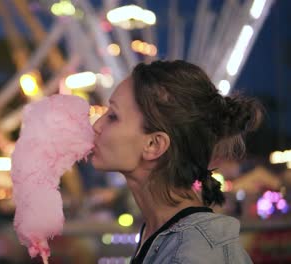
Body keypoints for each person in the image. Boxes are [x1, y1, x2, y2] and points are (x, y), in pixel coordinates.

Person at [91, 60, 262, 263]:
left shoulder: (193, 254)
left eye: (113, 116)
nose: (97, 125)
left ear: (154, 144)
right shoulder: (160, 232)